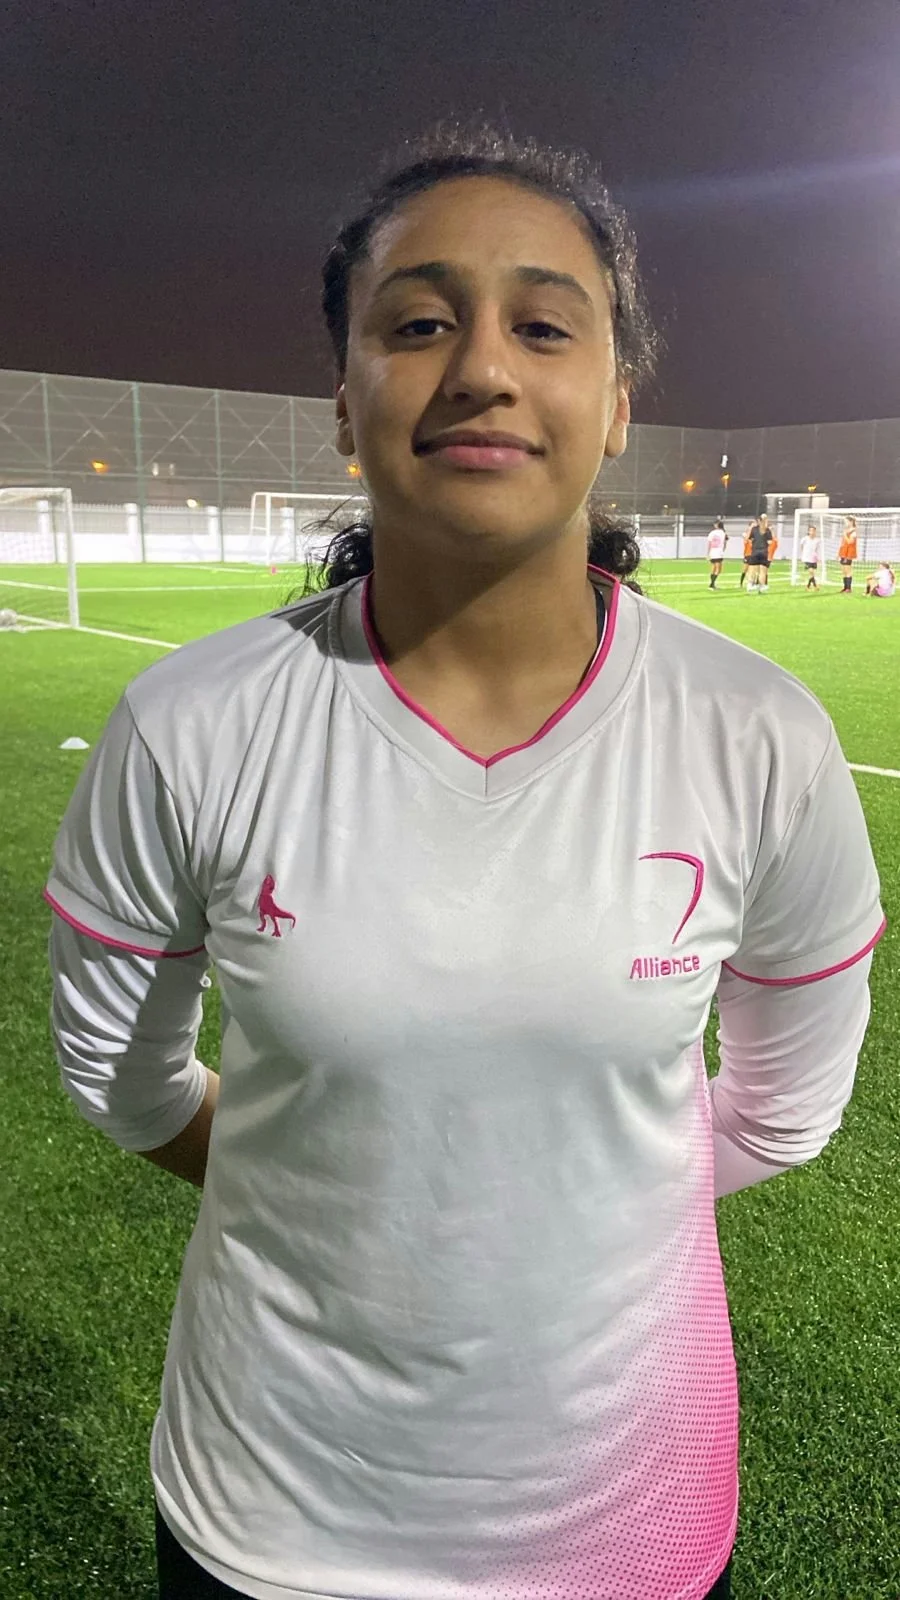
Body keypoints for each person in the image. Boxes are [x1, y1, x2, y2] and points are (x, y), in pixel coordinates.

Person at [43, 121, 884, 1600]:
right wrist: (341, 1176)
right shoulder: (190, 724)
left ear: (618, 402)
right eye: (419, 322)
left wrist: (561, 1194)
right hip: (271, 1523)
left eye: (543, 323)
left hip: (628, 1528)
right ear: (343, 396)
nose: (482, 366)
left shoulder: (761, 737)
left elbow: (788, 1110)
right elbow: (121, 1076)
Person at [745, 512, 771, 592]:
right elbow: (770, 541)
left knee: (752, 569)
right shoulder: (767, 530)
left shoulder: (754, 529)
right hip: (764, 552)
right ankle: (761, 586)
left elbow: (747, 538)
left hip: (755, 551)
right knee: (763, 570)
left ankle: (750, 585)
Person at [838, 516, 858, 593]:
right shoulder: (847, 530)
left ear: (851, 522)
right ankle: (845, 587)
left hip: (849, 553)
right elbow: (843, 543)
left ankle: (848, 588)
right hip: (843, 552)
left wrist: (845, 535)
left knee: (847, 570)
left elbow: (850, 542)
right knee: (843, 570)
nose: (845, 523)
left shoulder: (853, 531)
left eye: (846, 521)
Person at [707, 517, 727, 588]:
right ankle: (712, 584)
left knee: (713, 568)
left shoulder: (712, 533)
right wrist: (723, 550)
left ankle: (712, 584)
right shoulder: (723, 532)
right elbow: (725, 543)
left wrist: (708, 553)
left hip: (712, 552)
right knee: (718, 569)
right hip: (718, 552)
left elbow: (709, 543)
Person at [800, 524, 820, 589]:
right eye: (811, 531)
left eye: (814, 531)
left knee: (812, 573)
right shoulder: (805, 539)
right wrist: (803, 555)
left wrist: (817, 557)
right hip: (806, 558)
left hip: (813, 558)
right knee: (811, 571)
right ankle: (815, 585)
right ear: (808, 531)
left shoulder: (817, 540)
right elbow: (801, 546)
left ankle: (808, 586)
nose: (812, 532)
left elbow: (817, 549)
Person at [738, 521, 753, 587]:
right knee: (744, 570)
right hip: (747, 555)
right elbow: (745, 537)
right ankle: (741, 583)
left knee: (752, 570)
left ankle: (752, 583)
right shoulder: (747, 536)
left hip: (753, 555)